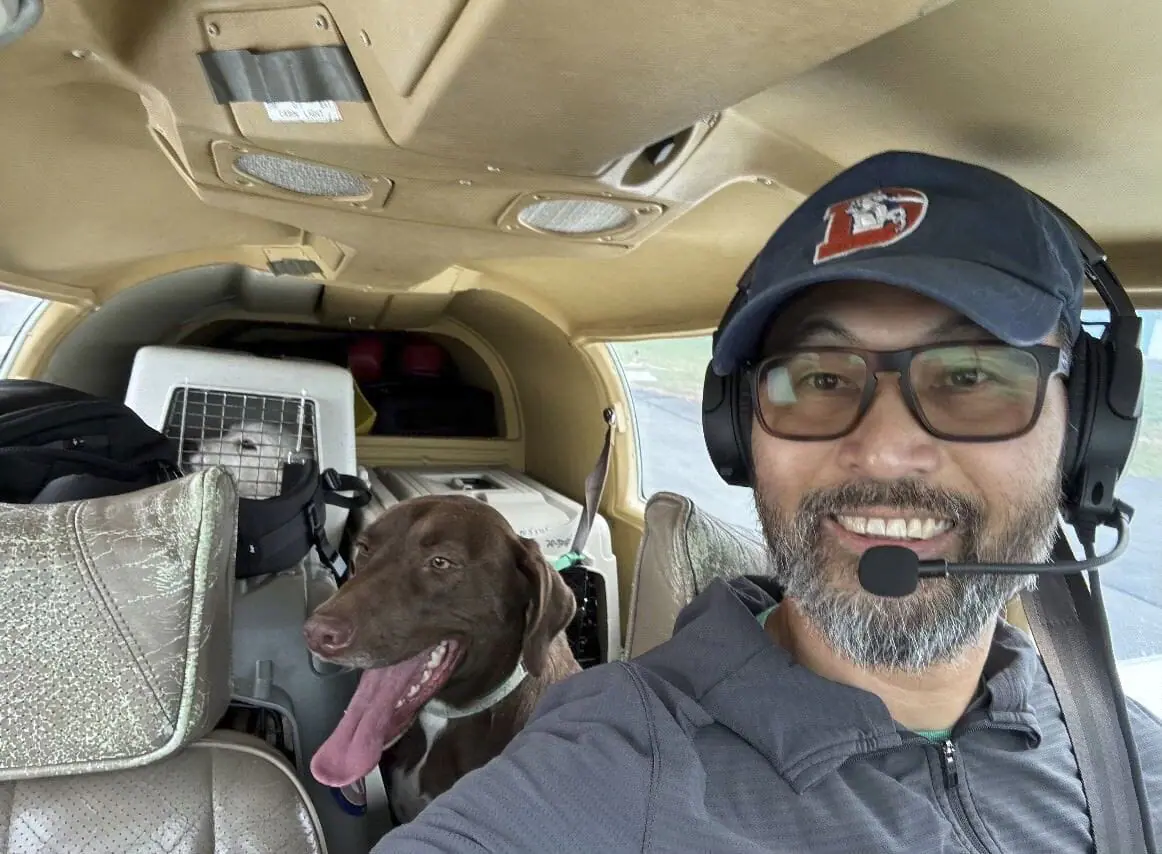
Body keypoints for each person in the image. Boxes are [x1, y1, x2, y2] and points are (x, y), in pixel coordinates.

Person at [374, 151, 1162, 852]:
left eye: (970, 375)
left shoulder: (1128, 752)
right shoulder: (613, 763)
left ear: (1089, 429)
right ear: (737, 434)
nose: (885, 449)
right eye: (821, 378)